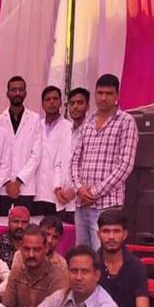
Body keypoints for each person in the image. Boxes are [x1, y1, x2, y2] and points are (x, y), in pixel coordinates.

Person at [69, 74, 139, 250]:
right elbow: (75, 159)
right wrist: (79, 189)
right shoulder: (88, 122)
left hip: (107, 205)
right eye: (100, 93)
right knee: (82, 256)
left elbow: (125, 165)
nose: (103, 98)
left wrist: (94, 192)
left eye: (109, 93)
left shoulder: (126, 122)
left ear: (117, 95)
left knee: (103, 255)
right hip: (81, 204)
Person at [0, 76, 44, 212]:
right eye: (13, 90)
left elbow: (36, 155)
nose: (17, 93)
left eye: (20, 90)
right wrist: (7, 182)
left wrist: (18, 181)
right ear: (7, 93)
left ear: (25, 93)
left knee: (24, 222)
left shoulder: (35, 119)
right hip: (3, 187)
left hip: (25, 187)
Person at [2, 225, 69, 307]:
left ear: (45, 248)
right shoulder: (16, 272)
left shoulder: (58, 276)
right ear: (20, 247)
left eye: (36, 250)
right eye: (27, 249)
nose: (31, 255)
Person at [33, 85, 74, 218]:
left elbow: (65, 161)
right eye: (48, 99)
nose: (51, 102)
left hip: (57, 193)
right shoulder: (36, 125)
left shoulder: (69, 127)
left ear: (61, 102)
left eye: (55, 99)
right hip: (36, 192)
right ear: (42, 104)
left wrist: (59, 187)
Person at [54, 88, 90, 224]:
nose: (75, 107)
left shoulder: (92, 132)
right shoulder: (66, 132)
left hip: (79, 201)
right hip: (61, 201)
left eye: (80, 103)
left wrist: (74, 190)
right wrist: (57, 188)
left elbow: (89, 168)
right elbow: (58, 163)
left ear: (87, 106)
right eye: (72, 103)